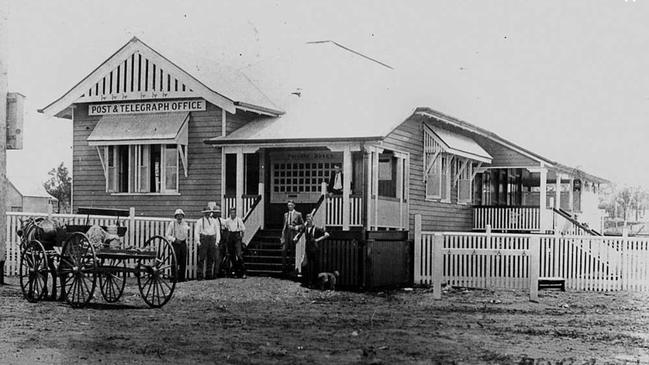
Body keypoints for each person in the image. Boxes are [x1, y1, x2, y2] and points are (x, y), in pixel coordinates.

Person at [194, 205, 222, 280]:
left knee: (211, 258)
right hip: (204, 239)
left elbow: (217, 232)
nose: (207, 214)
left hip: (212, 239)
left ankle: (208, 274)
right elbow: (196, 232)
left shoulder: (214, 221)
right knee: (201, 258)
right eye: (206, 213)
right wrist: (198, 242)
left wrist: (217, 242)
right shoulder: (200, 221)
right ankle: (200, 275)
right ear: (204, 213)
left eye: (209, 212)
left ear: (210, 213)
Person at [303, 213, 329, 287]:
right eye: (307, 219)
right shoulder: (305, 228)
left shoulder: (316, 228)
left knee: (315, 266)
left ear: (312, 219)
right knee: (308, 266)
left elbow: (327, 234)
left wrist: (317, 239)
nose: (309, 220)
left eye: (310, 219)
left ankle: (315, 282)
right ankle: (309, 282)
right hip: (308, 249)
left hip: (315, 249)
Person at [165, 208, 190, 282]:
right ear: (175, 216)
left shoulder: (185, 224)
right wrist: (174, 240)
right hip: (176, 244)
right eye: (178, 216)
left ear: (183, 216)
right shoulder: (172, 224)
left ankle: (181, 278)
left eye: (181, 216)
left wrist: (184, 242)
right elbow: (167, 235)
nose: (179, 217)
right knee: (175, 261)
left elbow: (186, 234)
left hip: (183, 243)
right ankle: (173, 278)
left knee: (183, 261)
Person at [280, 200, 304, 272]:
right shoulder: (285, 214)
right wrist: (282, 235)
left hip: (293, 233)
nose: (289, 206)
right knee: (284, 250)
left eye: (291, 205)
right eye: (288, 205)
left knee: (292, 251)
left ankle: (290, 267)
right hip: (286, 233)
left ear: (294, 205)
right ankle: (284, 267)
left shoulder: (298, 214)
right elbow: (284, 225)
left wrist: (296, 227)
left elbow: (302, 225)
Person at [224, 208, 246, 279]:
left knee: (239, 255)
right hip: (230, 237)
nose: (232, 214)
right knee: (232, 256)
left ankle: (243, 272)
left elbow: (243, 229)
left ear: (236, 213)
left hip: (237, 237)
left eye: (234, 213)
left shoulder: (239, 220)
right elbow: (225, 228)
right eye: (231, 213)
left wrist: (240, 238)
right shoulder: (227, 220)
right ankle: (235, 272)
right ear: (230, 213)